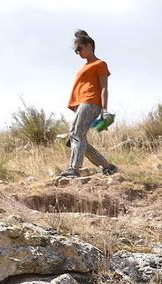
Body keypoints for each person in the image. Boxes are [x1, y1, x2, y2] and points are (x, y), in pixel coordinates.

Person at [61, 30, 117, 178]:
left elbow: (104, 88)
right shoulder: (84, 66)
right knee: (78, 137)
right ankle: (107, 167)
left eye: (79, 48)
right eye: (76, 51)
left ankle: (74, 169)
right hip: (83, 104)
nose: (78, 52)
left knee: (76, 135)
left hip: (91, 102)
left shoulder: (100, 64)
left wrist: (105, 110)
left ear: (89, 45)